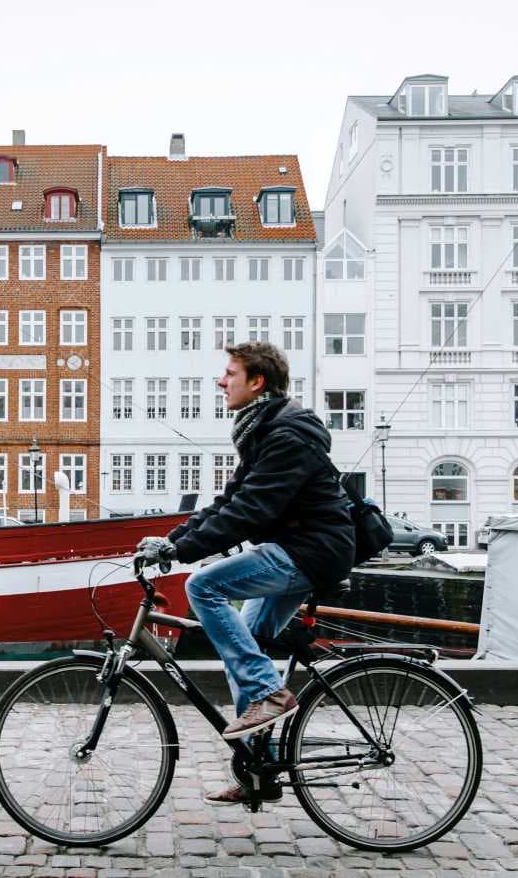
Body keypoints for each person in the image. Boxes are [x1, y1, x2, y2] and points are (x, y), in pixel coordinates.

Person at [137, 341, 355, 804]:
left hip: (311, 551)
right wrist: (174, 540)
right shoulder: (264, 428)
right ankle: (259, 769)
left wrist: (182, 556)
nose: (221, 381)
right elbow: (228, 502)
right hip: (298, 548)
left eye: (229, 373)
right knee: (245, 649)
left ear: (256, 382)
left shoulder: (287, 434)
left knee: (204, 585)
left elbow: (251, 511)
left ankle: (270, 694)